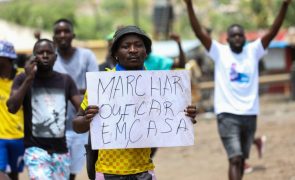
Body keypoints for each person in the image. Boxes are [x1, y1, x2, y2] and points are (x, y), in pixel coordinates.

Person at [183, 0, 292, 179]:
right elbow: (199, 33)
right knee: (235, 158)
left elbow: (272, 32)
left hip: (250, 114)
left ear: (244, 38)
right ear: (227, 39)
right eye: (233, 36)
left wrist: (285, 6)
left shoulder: (254, 51)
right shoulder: (220, 51)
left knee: (240, 160)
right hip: (227, 115)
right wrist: (189, 6)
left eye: (240, 35)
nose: (237, 38)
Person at [72, 25, 198, 180]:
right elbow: (76, 125)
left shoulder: (158, 86)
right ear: (116, 53)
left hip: (144, 170)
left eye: (138, 45)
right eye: (126, 46)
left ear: (146, 52)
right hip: (108, 171)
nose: (133, 50)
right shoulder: (101, 85)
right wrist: (86, 119)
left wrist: (186, 116)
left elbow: (169, 120)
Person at [6, 39, 81, 180]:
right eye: (40, 53)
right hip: (35, 151)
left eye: (49, 52)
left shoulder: (66, 80)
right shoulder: (22, 78)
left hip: (61, 152)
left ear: (55, 57)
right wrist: (29, 78)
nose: (45, 55)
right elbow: (11, 107)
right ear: (34, 57)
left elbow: (81, 107)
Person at [52, 18, 99, 180]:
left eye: (66, 31)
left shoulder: (87, 56)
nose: (62, 34)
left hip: (82, 124)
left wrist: (66, 90)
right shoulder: (50, 59)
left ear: (73, 35)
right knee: (58, 171)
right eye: (58, 32)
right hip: (55, 128)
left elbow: (95, 87)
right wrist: (78, 91)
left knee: (72, 172)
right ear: (54, 37)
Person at [0, 40, 24, 180]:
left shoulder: (23, 76)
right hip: (0, 138)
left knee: (14, 175)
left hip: (19, 136)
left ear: (7, 58)